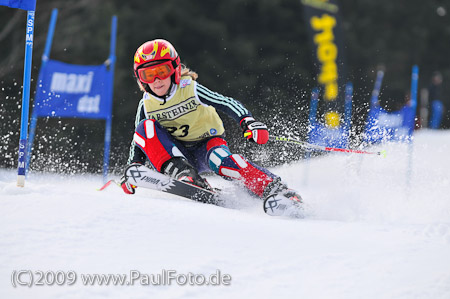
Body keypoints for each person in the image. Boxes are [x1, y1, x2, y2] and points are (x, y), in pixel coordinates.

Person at [120, 39, 301, 208]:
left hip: (207, 144)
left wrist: (248, 122)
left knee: (221, 161)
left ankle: (276, 189)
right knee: (145, 127)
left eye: (162, 71)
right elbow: (139, 140)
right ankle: (186, 176)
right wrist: (133, 167)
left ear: (174, 70)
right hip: (178, 154)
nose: (156, 80)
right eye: (148, 74)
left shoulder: (189, 88)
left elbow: (225, 102)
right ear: (141, 78)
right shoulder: (146, 104)